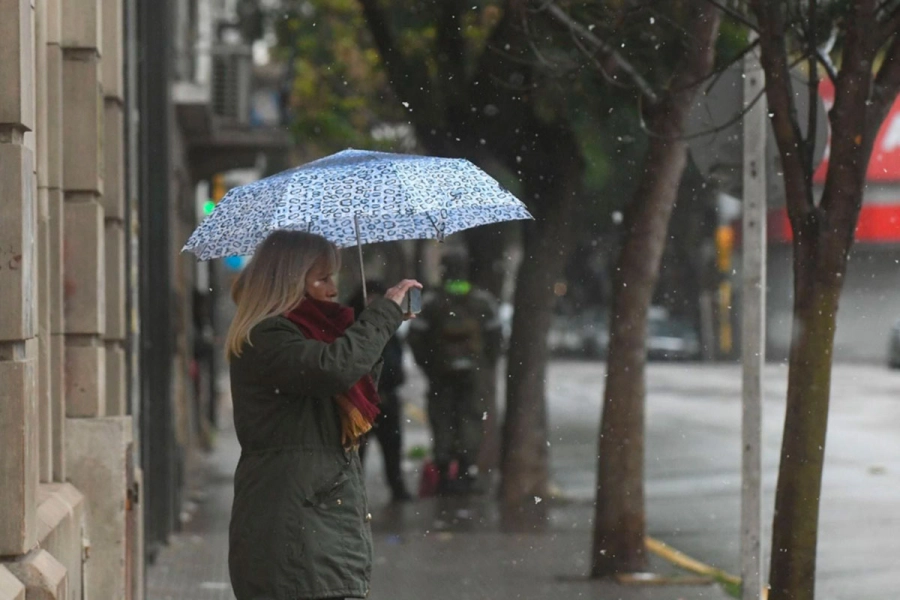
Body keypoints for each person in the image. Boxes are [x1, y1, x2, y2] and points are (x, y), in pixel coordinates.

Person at [225, 230, 421, 600]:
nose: (333, 289)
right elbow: (334, 370)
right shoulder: (269, 336)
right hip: (296, 528)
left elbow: (346, 376)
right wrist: (381, 316)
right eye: (321, 278)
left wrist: (371, 331)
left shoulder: (310, 335)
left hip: (312, 523)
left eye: (333, 277)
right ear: (288, 283)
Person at [407, 250, 503, 495]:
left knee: (442, 419)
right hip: (473, 374)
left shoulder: (429, 301)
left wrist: (429, 366)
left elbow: (414, 337)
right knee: (470, 419)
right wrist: (483, 366)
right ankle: (465, 471)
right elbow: (496, 339)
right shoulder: (483, 300)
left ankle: (443, 472)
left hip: (441, 374)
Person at [349, 281, 414, 503]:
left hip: (386, 398)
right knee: (357, 452)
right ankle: (353, 493)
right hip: (360, 400)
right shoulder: (353, 324)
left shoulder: (387, 329)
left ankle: (397, 487)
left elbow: (396, 358)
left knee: (392, 446)